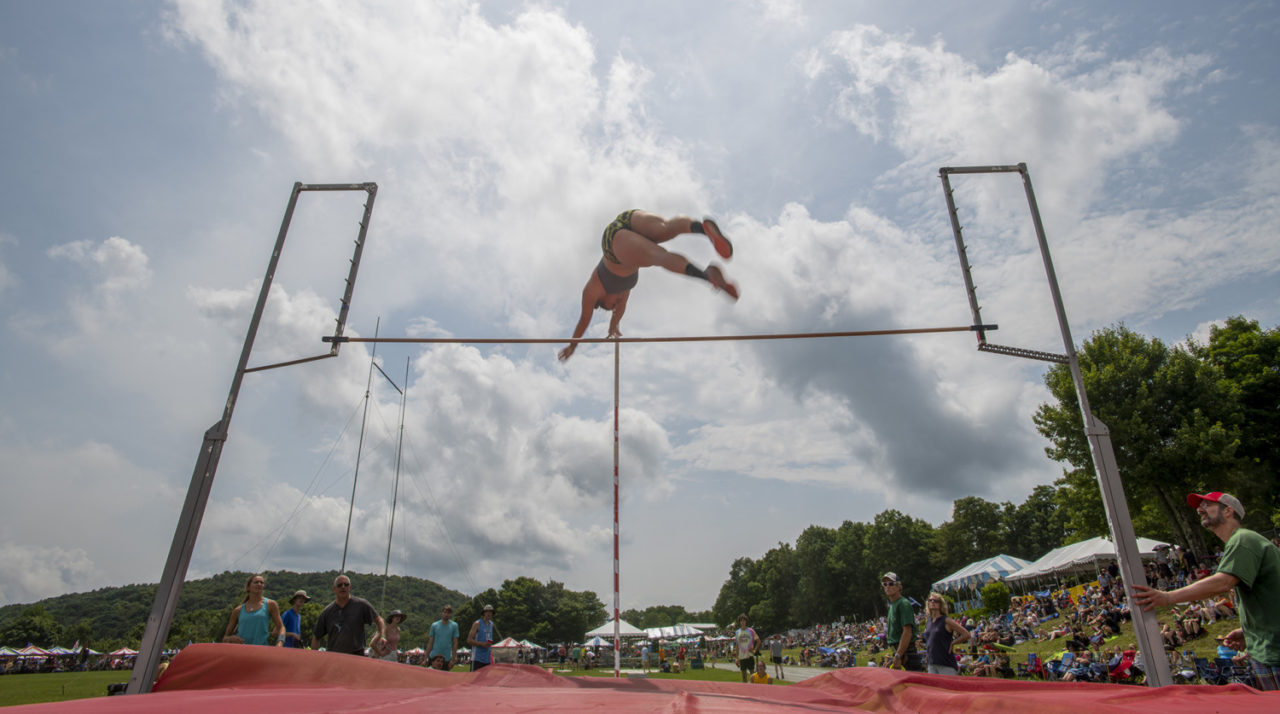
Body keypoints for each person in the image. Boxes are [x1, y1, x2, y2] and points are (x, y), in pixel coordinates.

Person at [1132, 491, 1280, 691]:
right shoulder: (1242, 541)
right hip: (1268, 648)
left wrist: (1167, 597)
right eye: (1199, 506)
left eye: (1207, 505)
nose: (1199, 510)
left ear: (1228, 511)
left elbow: (1223, 582)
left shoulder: (1243, 539)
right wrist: (1248, 632)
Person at [558, 210, 738, 361]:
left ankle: (707, 276)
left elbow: (585, 319)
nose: (617, 303)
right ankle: (704, 230)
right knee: (666, 228)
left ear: (602, 300)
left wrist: (573, 346)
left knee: (658, 256)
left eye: (612, 305)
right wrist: (614, 325)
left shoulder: (594, 288)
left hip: (613, 244)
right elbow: (618, 313)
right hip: (628, 219)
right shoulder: (624, 292)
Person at [311, 574, 386, 655]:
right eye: (339, 585)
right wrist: (314, 657)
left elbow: (379, 620)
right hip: (334, 656)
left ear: (350, 587)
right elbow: (316, 637)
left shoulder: (361, 605)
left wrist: (381, 636)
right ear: (334, 589)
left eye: (346, 584)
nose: (343, 587)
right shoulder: (327, 612)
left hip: (356, 655)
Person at [222, 574, 285, 647]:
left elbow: (281, 628)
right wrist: (231, 639)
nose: (259, 584)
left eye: (262, 583)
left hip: (261, 650)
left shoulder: (270, 604)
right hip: (241, 650)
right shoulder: (238, 610)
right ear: (248, 587)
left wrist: (280, 643)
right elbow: (225, 638)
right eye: (256, 582)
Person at [922, 591, 970, 675]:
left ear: (940, 604)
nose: (932, 602)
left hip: (945, 662)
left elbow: (966, 634)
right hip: (931, 662)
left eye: (936, 601)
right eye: (930, 600)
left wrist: (953, 643)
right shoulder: (928, 621)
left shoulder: (946, 620)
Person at [882, 572, 921, 671]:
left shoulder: (903, 603)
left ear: (899, 586)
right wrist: (894, 658)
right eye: (885, 584)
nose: (887, 586)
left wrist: (898, 655)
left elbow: (907, 632)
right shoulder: (892, 605)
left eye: (891, 584)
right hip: (899, 652)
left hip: (907, 654)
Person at [427, 605, 460, 670]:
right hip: (433, 658)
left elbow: (455, 644)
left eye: (448, 613)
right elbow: (430, 643)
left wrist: (453, 660)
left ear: (450, 614)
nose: (446, 614)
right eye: (445, 612)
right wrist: (425, 658)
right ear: (442, 613)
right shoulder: (434, 625)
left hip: (446, 659)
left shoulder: (454, 626)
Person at [467, 604, 497, 671]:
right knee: (474, 677)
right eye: (487, 611)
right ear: (484, 613)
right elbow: (469, 640)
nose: (489, 613)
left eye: (490, 612)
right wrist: (481, 644)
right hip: (477, 658)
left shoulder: (491, 624)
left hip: (487, 659)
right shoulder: (477, 623)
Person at [733, 613, 761, 683]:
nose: (742, 622)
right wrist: (736, 658)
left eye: (744, 620)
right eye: (741, 621)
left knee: (752, 675)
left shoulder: (751, 631)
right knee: (744, 676)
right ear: (739, 622)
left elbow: (758, 641)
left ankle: (753, 688)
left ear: (746, 621)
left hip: (750, 655)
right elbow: (737, 645)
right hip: (742, 656)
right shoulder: (737, 632)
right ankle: (745, 688)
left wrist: (754, 650)